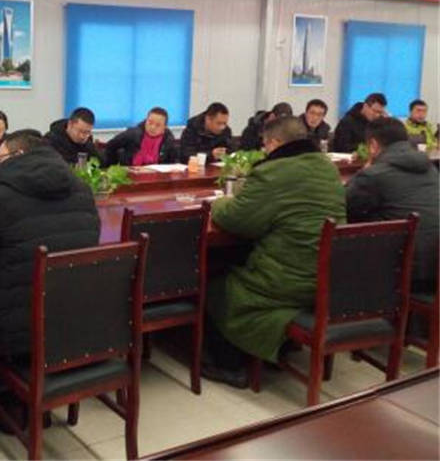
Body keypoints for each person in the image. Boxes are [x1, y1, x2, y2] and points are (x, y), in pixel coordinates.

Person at [204, 116, 346, 387]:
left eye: (266, 145)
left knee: (218, 286)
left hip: (286, 281)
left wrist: (219, 203)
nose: (264, 150)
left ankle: (230, 365)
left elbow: (237, 220)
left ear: (275, 143)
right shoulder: (327, 167)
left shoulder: (273, 172)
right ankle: (279, 348)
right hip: (327, 278)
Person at [0, 129, 101, 358]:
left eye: (0, 159)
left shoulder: (3, 196)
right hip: (75, 321)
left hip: (22, 333)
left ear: (18, 155)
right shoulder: (83, 189)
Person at [346, 118, 438, 294]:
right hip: (434, 268)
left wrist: (363, 172)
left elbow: (344, 205)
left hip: (405, 272)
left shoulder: (373, 175)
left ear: (373, 145)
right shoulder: (431, 169)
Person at [104, 107, 178, 166]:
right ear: (146, 121)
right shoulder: (132, 134)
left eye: (158, 125)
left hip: (158, 177)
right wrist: (113, 166)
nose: (152, 127)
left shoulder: (168, 140)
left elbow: (173, 163)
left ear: (164, 127)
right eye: (150, 122)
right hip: (131, 175)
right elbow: (111, 146)